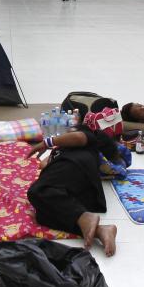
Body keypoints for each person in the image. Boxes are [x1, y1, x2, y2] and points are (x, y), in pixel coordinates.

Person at [27, 109, 123, 256]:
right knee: (44, 214)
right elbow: (43, 165)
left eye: (68, 132)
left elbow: (78, 137)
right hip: (78, 182)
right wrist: (53, 153)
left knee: (37, 191)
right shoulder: (64, 150)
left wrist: (46, 143)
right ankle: (101, 230)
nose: (64, 135)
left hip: (73, 164)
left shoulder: (88, 138)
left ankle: (85, 217)